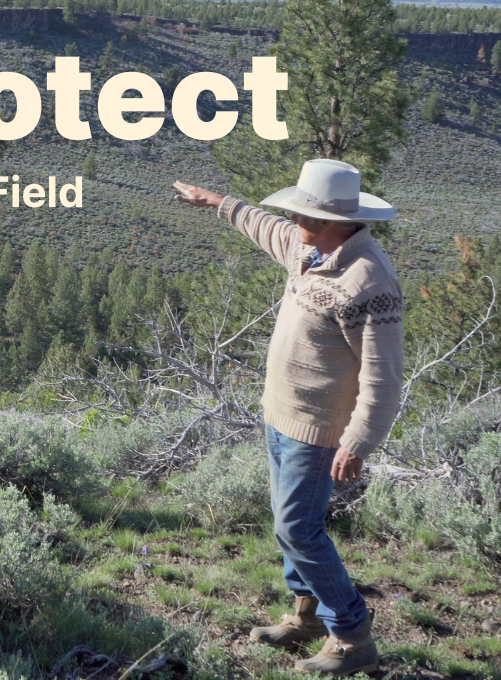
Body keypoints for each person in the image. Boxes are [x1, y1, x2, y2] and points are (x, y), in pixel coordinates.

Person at [172, 159, 403, 676]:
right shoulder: (312, 250)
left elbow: (383, 377)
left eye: (301, 214)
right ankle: (307, 614)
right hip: (281, 417)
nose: (292, 223)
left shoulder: (369, 279)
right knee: (287, 526)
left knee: (300, 530)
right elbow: (269, 230)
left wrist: (359, 440)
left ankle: (352, 635)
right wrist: (218, 203)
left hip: (319, 432)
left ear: (328, 221)